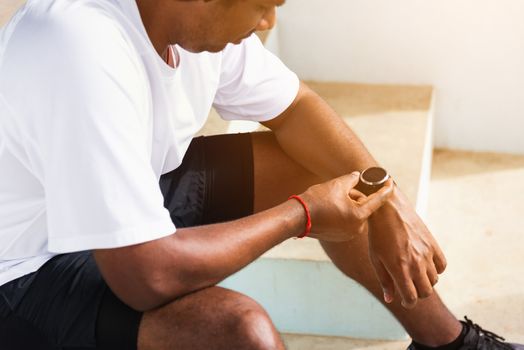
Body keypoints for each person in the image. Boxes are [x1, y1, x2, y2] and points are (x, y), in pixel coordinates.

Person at [0, 0, 520, 349]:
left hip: (129, 201)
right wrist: (304, 215)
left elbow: (296, 108)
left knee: (319, 162)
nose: (269, 20)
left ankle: (450, 345)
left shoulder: (182, 23)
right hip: (25, 270)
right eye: (263, 2)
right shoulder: (78, 43)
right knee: (241, 331)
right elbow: (146, 276)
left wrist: (387, 200)